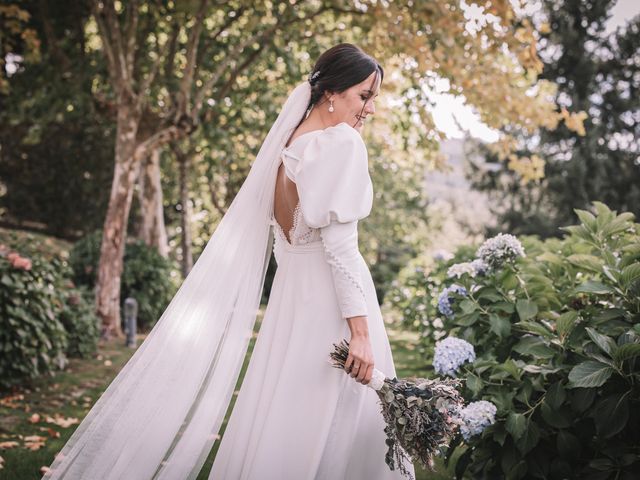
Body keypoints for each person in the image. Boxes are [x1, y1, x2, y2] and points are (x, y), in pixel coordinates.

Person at [42, 43, 414, 480]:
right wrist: (361, 333)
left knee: (289, 415)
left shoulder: (289, 148)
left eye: (373, 98)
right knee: (339, 426)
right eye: (363, 96)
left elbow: (285, 246)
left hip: (292, 307)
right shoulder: (339, 145)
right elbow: (341, 248)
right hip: (333, 306)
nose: (369, 109)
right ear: (331, 92)